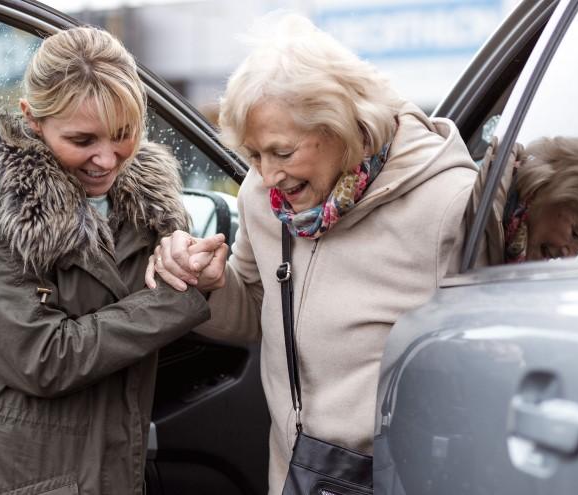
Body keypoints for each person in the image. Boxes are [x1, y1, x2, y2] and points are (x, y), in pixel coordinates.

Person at [146, 14, 478, 494]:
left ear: (344, 124)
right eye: (254, 155)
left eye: (282, 152)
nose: (267, 175)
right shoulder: (262, 201)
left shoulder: (448, 204)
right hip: (298, 478)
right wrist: (207, 285)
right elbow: (256, 311)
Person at [0, 26, 209, 495]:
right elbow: (42, 358)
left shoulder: (149, 205)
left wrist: (190, 259)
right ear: (33, 120)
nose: (106, 159)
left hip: (93, 469)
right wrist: (178, 298)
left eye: (124, 134)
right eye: (82, 140)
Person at [500, 136, 578, 263]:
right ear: (549, 189)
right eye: (576, 234)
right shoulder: (480, 210)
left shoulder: (508, 245)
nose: (570, 256)